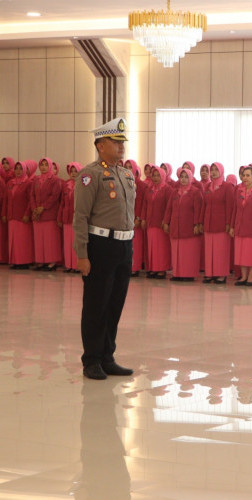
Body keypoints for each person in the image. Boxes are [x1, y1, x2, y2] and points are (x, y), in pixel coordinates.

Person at [73, 117, 136, 380]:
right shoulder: (90, 175)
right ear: (100, 145)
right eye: (115, 141)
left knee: (115, 303)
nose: (121, 147)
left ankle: (108, 356)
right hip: (101, 245)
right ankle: (91, 360)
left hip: (124, 245)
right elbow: (80, 217)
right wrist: (82, 254)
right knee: (96, 304)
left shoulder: (126, 173)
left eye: (123, 142)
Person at [163, 168, 203, 281]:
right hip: (176, 226)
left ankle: (188, 275)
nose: (183, 179)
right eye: (182, 177)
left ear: (190, 178)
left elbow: (198, 209)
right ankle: (177, 273)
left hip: (189, 227)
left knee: (188, 252)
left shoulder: (195, 192)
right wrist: (166, 222)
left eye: (186, 177)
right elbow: (169, 208)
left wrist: (197, 224)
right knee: (177, 251)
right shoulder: (175, 192)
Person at [231, 166, 252, 285]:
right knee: (240, 253)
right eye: (243, 175)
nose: (245, 178)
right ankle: (243, 277)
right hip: (240, 226)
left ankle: (251, 277)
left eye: (248, 175)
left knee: (251, 253)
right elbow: (235, 210)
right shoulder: (239, 191)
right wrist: (232, 226)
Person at [202, 162, 235, 284]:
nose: (214, 172)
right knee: (209, 250)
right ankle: (210, 273)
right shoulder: (208, 187)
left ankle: (220, 274)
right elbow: (204, 205)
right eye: (212, 169)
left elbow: (230, 207)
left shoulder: (227, 187)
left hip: (222, 224)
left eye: (216, 169)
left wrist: (228, 223)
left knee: (221, 251)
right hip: (208, 223)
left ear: (221, 171)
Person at [30, 157, 63, 271]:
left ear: (49, 166)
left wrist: (43, 207)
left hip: (49, 214)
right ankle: (41, 261)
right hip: (37, 215)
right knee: (39, 239)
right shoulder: (36, 180)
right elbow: (31, 195)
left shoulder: (55, 180)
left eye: (45, 165)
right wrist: (35, 208)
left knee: (50, 240)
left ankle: (51, 262)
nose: (43, 167)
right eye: (41, 165)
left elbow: (54, 196)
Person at [141, 165, 172, 279]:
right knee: (152, 247)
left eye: (158, 175)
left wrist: (166, 221)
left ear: (163, 175)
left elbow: (169, 207)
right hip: (150, 223)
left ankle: (161, 270)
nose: (155, 177)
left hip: (161, 223)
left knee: (161, 248)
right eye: (154, 175)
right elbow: (145, 205)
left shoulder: (167, 189)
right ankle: (153, 269)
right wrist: (143, 218)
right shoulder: (149, 189)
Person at [3, 161, 35, 269]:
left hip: (22, 217)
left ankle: (24, 262)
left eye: (20, 168)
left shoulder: (28, 183)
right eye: (16, 168)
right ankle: (15, 261)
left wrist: (27, 214)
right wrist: (4, 214)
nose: (18, 171)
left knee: (23, 241)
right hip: (12, 216)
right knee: (13, 240)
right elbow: (6, 200)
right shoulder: (10, 183)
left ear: (25, 170)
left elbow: (31, 201)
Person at [57, 162, 83, 272]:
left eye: (75, 171)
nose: (73, 173)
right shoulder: (66, 185)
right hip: (66, 218)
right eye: (71, 171)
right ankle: (68, 265)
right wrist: (59, 217)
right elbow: (62, 203)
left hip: (78, 218)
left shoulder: (83, 185)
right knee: (68, 243)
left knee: (76, 243)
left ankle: (77, 266)